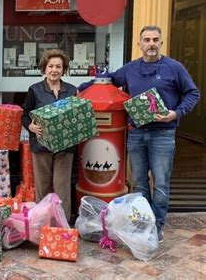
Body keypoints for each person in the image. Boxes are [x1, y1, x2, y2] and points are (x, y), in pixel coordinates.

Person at [78, 25, 200, 243]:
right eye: (147, 40)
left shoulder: (174, 67)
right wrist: (83, 87)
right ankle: (144, 223)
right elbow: (111, 79)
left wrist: (176, 113)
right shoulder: (131, 68)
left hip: (163, 134)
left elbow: (193, 93)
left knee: (161, 183)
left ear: (161, 42)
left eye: (155, 39)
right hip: (136, 133)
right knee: (141, 183)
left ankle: (158, 225)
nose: (151, 44)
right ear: (139, 44)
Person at [22, 49, 77, 220]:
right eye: (51, 66)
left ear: (64, 69)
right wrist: (30, 126)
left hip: (65, 147)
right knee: (43, 188)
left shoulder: (72, 90)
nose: (54, 70)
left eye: (58, 67)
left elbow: (76, 116)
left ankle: (63, 226)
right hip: (41, 145)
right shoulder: (35, 90)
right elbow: (25, 115)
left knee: (62, 189)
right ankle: (41, 224)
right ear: (44, 68)